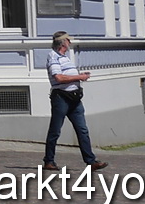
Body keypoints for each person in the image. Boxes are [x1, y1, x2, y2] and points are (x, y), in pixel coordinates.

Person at [43, 31, 106, 171]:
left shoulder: (66, 58)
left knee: (82, 130)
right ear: (63, 42)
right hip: (61, 98)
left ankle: (90, 161)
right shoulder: (53, 56)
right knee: (55, 130)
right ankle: (49, 160)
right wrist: (79, 77)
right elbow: (59, 78)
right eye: (68, 40)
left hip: (75, 98)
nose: (70, 43)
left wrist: (80, 77)